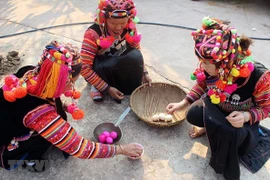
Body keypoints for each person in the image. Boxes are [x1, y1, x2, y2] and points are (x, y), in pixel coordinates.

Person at [0, 41, 143, 172]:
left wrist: (64, 105)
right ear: (59, 79)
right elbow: (79, 147)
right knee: (46, 136)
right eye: (70, 83)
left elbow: (33, 100)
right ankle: (29, 162)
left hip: (9, 119)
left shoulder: (31, 72)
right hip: (5, 146)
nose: (71, 87)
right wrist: (122, 149)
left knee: (58, 114)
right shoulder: (40, 115)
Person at [166, 17, 270, 180]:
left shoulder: (259, 76)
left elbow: (266, 108)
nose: (203, 66)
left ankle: (220, 134)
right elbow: (202, 85)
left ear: (227, 61)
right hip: (217, 108)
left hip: (239, 122)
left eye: (207, 63)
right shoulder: (212, 64)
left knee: (230, 136)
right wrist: (183, 103)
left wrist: (246, 116)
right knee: (192, 114)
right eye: (202, 61)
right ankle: (210, 129)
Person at [80, 0, 152, 103]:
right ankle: (97, 86)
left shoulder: (130, 28)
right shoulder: (93, 33)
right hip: (101, 68)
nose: (118, 28)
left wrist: (144, 73)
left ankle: (117, 80)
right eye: (113, 23)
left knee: (135, 56)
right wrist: (107, 88)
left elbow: (137, 50)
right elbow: (84, 67)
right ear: (104, 19)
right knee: (103, 66)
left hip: (117, 61)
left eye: (123, 23)